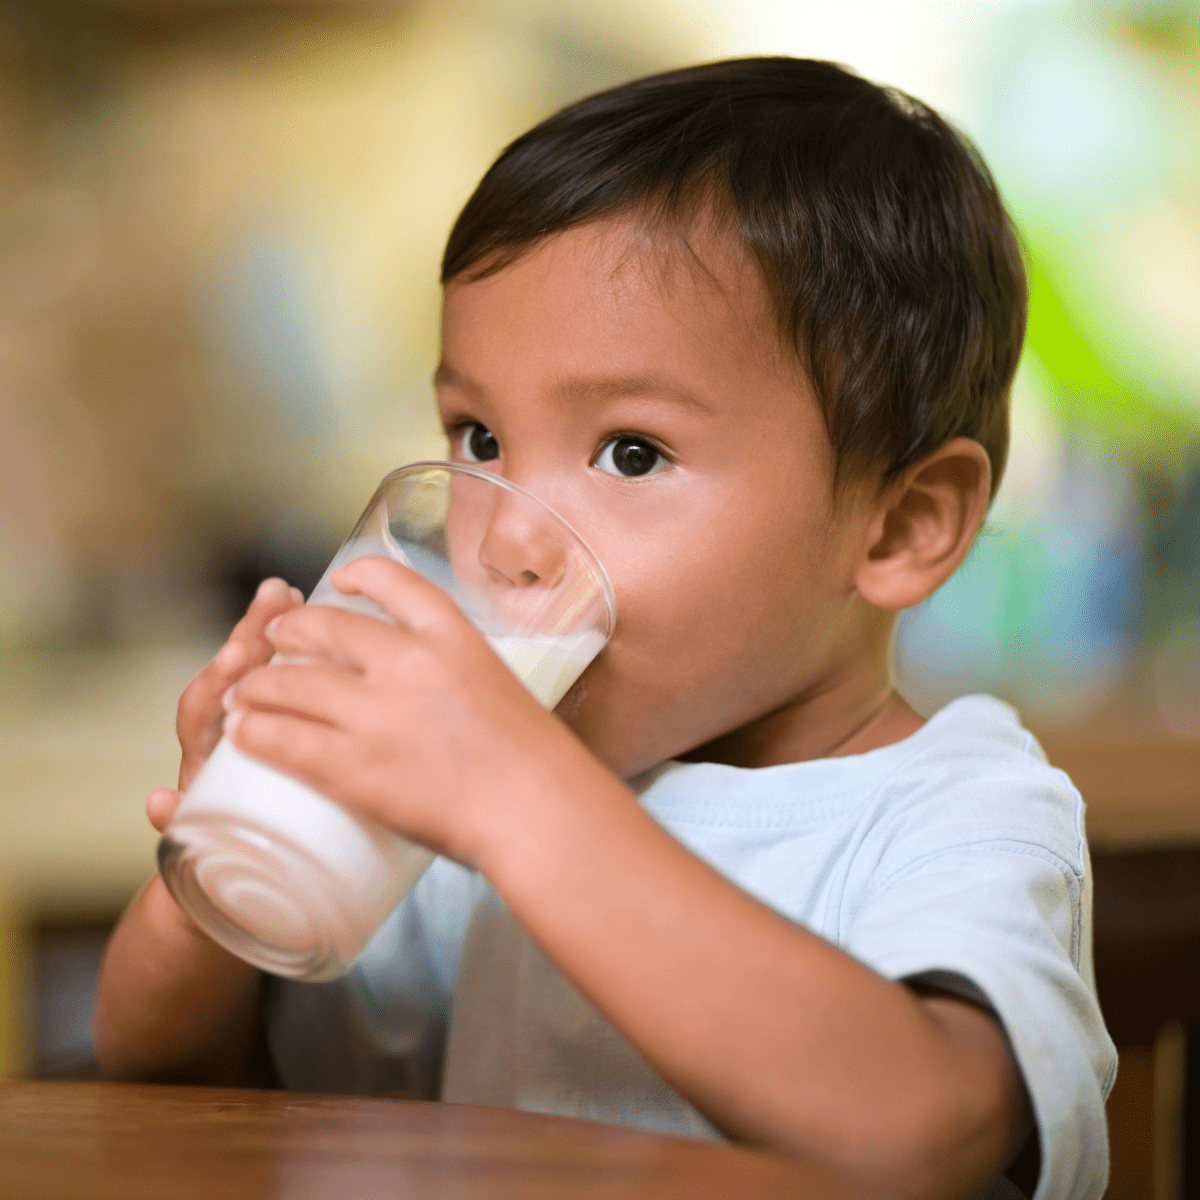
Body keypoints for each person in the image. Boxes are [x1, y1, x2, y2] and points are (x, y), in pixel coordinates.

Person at [94, 57, 1115, 1200]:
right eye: (477, 437)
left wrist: (514, 800)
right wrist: (222, 853)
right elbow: (168, 1066)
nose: (503, 538)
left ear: (898, 527)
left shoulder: (958, 812)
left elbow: (922, 1132)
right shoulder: (471, 811)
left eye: (632, 452)